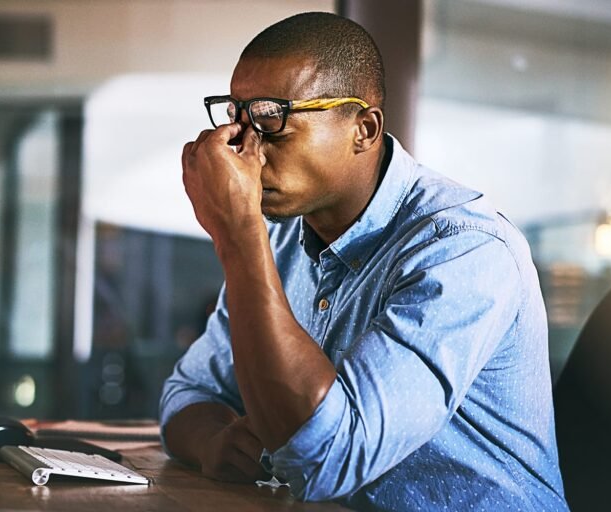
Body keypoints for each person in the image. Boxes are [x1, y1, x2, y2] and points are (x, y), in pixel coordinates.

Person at [159, 12, 568, 511]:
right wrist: (214, 442)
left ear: (364, 129)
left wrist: (237, 233)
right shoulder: (284, 237)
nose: (247, 155)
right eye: (239, 123)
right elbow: (189, 390)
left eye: (273, 124)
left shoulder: (465, 250)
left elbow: (327, 457)